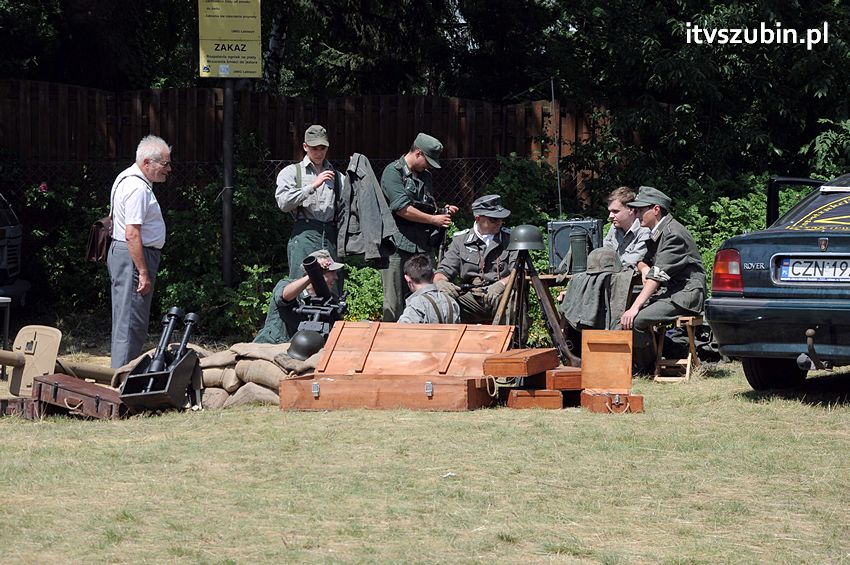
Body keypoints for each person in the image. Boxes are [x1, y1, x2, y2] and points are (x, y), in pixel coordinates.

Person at [108, 135, 171, 368]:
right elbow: (132, 233)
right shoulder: (137, 187)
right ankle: (122, 382)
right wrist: (143, 271)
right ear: (147, 162)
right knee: (131, 323)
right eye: (165, 164)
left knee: (129, 319)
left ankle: (123, 375)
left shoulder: (128, 179)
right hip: (135, 256)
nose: (169, 169)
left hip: (130, 255)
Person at [380, 133, 458, 321]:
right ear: (418, 153)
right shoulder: (393, 172)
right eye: (428, 161)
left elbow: (424, 205)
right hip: (396, 245)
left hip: (421, 246)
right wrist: (434, 220)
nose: (429, 166)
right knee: (395, 301)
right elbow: (402, 209)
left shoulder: (425, 176)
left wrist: (442, 211)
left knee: (426, 295)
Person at [619, 186, 706, 333]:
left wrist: (634, 308)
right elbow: (642, 260)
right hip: (672, 292)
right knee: (623, 313)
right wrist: (644, 268)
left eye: (641, 210)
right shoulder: (659, 232)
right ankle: (663, 350)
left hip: (685, 295)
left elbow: (658, 275)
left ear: (656, 210)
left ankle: (648, 356)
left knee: (636, 320)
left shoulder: (673, 235)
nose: (637, 214)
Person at [433, 195, 517, 324]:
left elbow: (520, 272)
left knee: (512, 298)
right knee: (441, 300)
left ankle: (512, 343)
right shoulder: (461, 240)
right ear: (478, 218)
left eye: (501, 219)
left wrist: (502, 284)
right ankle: (451, 342)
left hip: (500, 295)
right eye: (494, 219)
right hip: (471, 297)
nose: (499, 222)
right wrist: (440, 282)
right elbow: (444, 270)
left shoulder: (511, 239)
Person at [275, 125, 344, 281]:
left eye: (322, 148)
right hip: (304, 236)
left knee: (332, 286)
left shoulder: (338, 177)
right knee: (301, 287)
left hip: (331, 237)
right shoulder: (292, 172)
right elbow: (283, 203)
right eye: (314, 148)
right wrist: (312, 186)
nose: (319, 153)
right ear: (305, 147)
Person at [253, 249, 344, 344]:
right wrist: (313, 274)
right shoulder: (286, 284)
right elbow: (284, 297)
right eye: (332, 272)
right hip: (270, 345)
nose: (336, 277)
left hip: (300, 350)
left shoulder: (329, 299)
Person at [397, 254, 460, 324]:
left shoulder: (416, 305)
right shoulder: (451, 301)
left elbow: (402, 331)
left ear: (408, 280)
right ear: (433, 276)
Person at [602, 186, 651, 267]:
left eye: (615, 211)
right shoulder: (614, 228)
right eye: (610, 211)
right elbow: (604, 255)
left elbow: (632, 262)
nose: (610, 216)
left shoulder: (645, 231)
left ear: (631, 209)